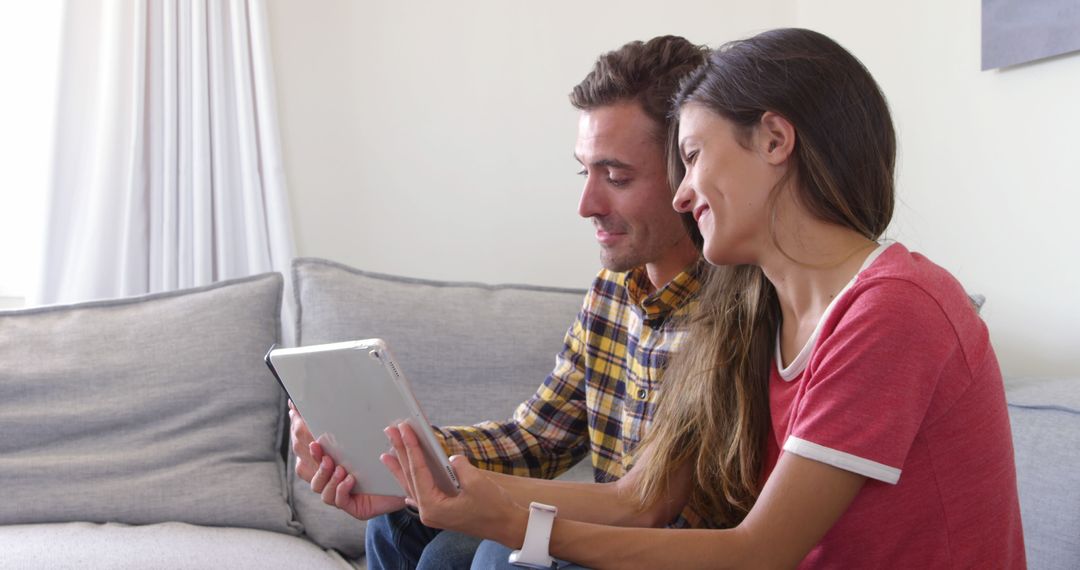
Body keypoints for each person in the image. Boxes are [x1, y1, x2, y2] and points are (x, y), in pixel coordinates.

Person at [374, 28, 1026, 568]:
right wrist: (439, 483)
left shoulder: (894, 310)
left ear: (774, 140)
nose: (684, 195)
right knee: (432, 540)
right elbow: (640, 497)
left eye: (691, 158)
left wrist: (521, 526)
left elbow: (759, 549)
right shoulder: (759, 307)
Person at [290, 35, 710, 569]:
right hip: (609, 525)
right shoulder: (612, 293)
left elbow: (646, 505)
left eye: (617, 176)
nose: (586, 204)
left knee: (485, 554)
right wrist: (402, 457)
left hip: (661, 552)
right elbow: (536, 438)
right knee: (400, 520)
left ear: (689, 172)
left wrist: (455, 487)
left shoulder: (730, 311)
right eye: (586, 172)